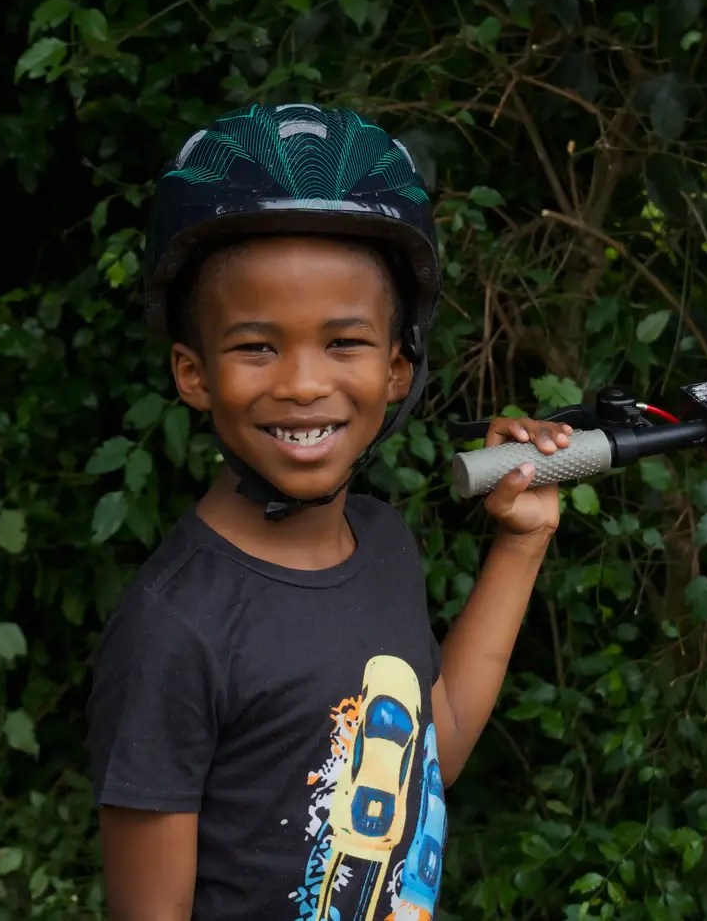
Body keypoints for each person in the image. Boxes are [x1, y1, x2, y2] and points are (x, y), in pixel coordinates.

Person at [86, 103, 572, 921]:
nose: (304, 382)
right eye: (256, 346)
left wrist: (520, 546)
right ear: (192, 372)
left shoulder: (381, 545)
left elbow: (432, 747)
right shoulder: (174, 629)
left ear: (396, 367)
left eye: (343, 342)